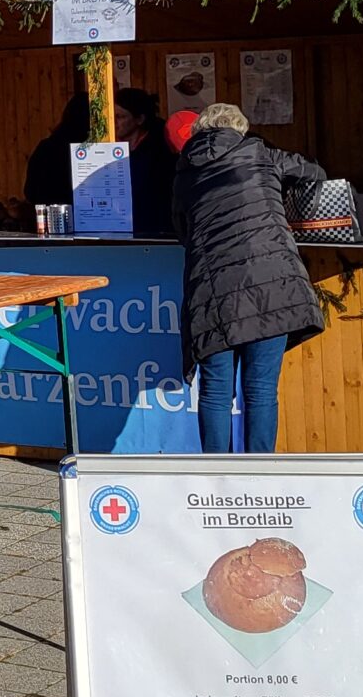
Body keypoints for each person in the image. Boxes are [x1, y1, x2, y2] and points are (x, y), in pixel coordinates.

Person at [171, 103, 327, 455]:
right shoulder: (261, 154)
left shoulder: (184, 171)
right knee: (260, 390)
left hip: (213, 290)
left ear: (199, 132)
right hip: (274, 283)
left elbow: (181, 229)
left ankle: (216, 475)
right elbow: (314, 172)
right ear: (239, 129)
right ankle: (260, 474)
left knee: (215, 392)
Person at [114, 87, 178, 237]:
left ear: (139, 119)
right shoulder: (109, 149)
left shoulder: (161, 151)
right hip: (120, 228)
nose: (114, 122)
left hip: (155, 231)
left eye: (120, 117)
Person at [22, 90, 91, 210]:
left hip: (50, 217)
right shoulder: (94, 151)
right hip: (86, 217)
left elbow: (30, 192)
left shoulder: (46, 147)